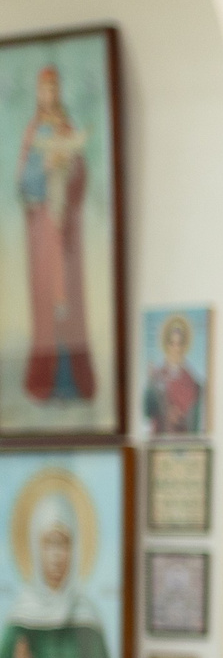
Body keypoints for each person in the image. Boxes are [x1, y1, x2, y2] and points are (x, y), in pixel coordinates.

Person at [3, 480, 118, 658]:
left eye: (63, 544)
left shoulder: (87, 621)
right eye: (48, 544)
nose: (56, 557)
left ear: (75, 549)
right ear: (33, 547)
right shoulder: (17, 624)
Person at [17, 66, 96, 406]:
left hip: (67, 236)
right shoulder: (33, 132)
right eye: (44, 90)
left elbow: (81, 175)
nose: (49, 95)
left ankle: (74, 382)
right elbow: (23, 183)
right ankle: (46, 382)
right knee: (48, 302)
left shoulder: (68, 127)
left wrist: (70, 164)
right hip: (43, 233)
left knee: (70, 304)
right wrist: (45, 168)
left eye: (54, 89)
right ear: (38, 93)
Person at [143, 313, 203, 435]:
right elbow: (147, 412)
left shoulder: (189, 377)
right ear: (167, 344)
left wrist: (178, 411)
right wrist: (150, 384)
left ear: (184, 345)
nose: (176, 348)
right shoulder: (157, 375)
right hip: (160, 434)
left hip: (182, 433)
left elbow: (192, 404)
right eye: (172, 343)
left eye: (179, 344)